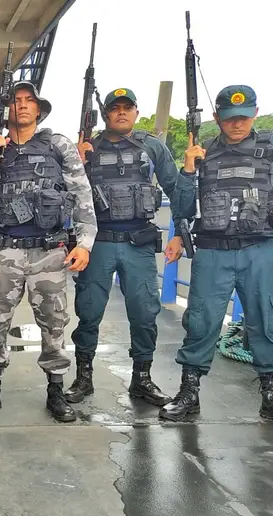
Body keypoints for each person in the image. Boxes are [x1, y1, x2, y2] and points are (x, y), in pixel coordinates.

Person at [162, 84, 273, 432]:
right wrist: (187, 170)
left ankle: (272, 399)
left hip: (259, 251)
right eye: (229, 118)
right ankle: (189, 393)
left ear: (255, 113)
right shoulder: (202, 151)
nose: (237, 124)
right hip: (212, 251)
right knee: (200, 323)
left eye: (243, 117)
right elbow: (182, 206)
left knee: (267, 321)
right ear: (217, 118)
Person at [0, 81, 97, 422]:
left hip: (48, 251)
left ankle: (56, 390)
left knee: (54, 323)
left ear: (38, 109)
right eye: (16, 101)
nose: (22, 105)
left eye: (28, 100)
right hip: (3, 251)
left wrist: (84, 243)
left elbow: (81, 194)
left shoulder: (58, 146)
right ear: (7, 110)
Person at [66, 88, 183, 406]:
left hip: (138, 243)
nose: (121, 112)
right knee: (88, 312)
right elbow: (67, 195)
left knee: (145, 313)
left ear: (135, 112)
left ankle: (142, 379)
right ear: (105, 113)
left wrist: (179, 233)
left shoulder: (152, 147)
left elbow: (177, 188)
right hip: (99, 243)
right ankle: (84, 377)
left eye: (127, 107)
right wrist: (77, 162)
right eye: (115, 108)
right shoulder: (88, 148)